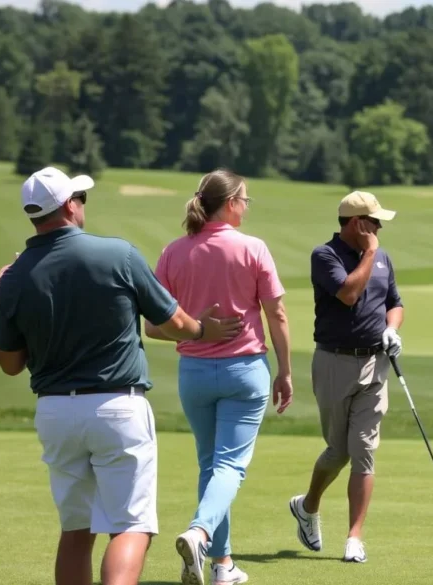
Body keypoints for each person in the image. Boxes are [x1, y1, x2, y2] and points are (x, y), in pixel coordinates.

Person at [0, 166, 243, 585]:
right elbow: (174, 321)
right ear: (70, 206)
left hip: (54, 413)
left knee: (75, 529)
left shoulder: (13, 277)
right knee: (130, 525)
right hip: (116, 407)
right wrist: (202, 330)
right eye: (80, 198)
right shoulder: (117, 254)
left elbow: (10, 363)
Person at [144, 169, 294, 585]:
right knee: (229, 465)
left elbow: (152, 327)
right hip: (244, 371)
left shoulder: (173, 252)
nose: (246, 207)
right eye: (244, 200)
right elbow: (277, 314)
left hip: (193, 373)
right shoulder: (253, 248)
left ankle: (222, 565)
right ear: (230, 204)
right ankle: (200, 532)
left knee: (211, 466)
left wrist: (195, 327)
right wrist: (285, 370)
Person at [288, 190, 404, 563]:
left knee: (364, 452)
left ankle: (355, 537)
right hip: (334, 363)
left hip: (375, 364)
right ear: (357, 223)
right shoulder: (325, 256)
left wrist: (392, 329)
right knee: (338, 451)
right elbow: (349, 295)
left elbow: (395, 303)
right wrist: (369, 253)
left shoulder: (383, 257)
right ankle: (307, 506)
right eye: (374, 221)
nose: (380, 227)